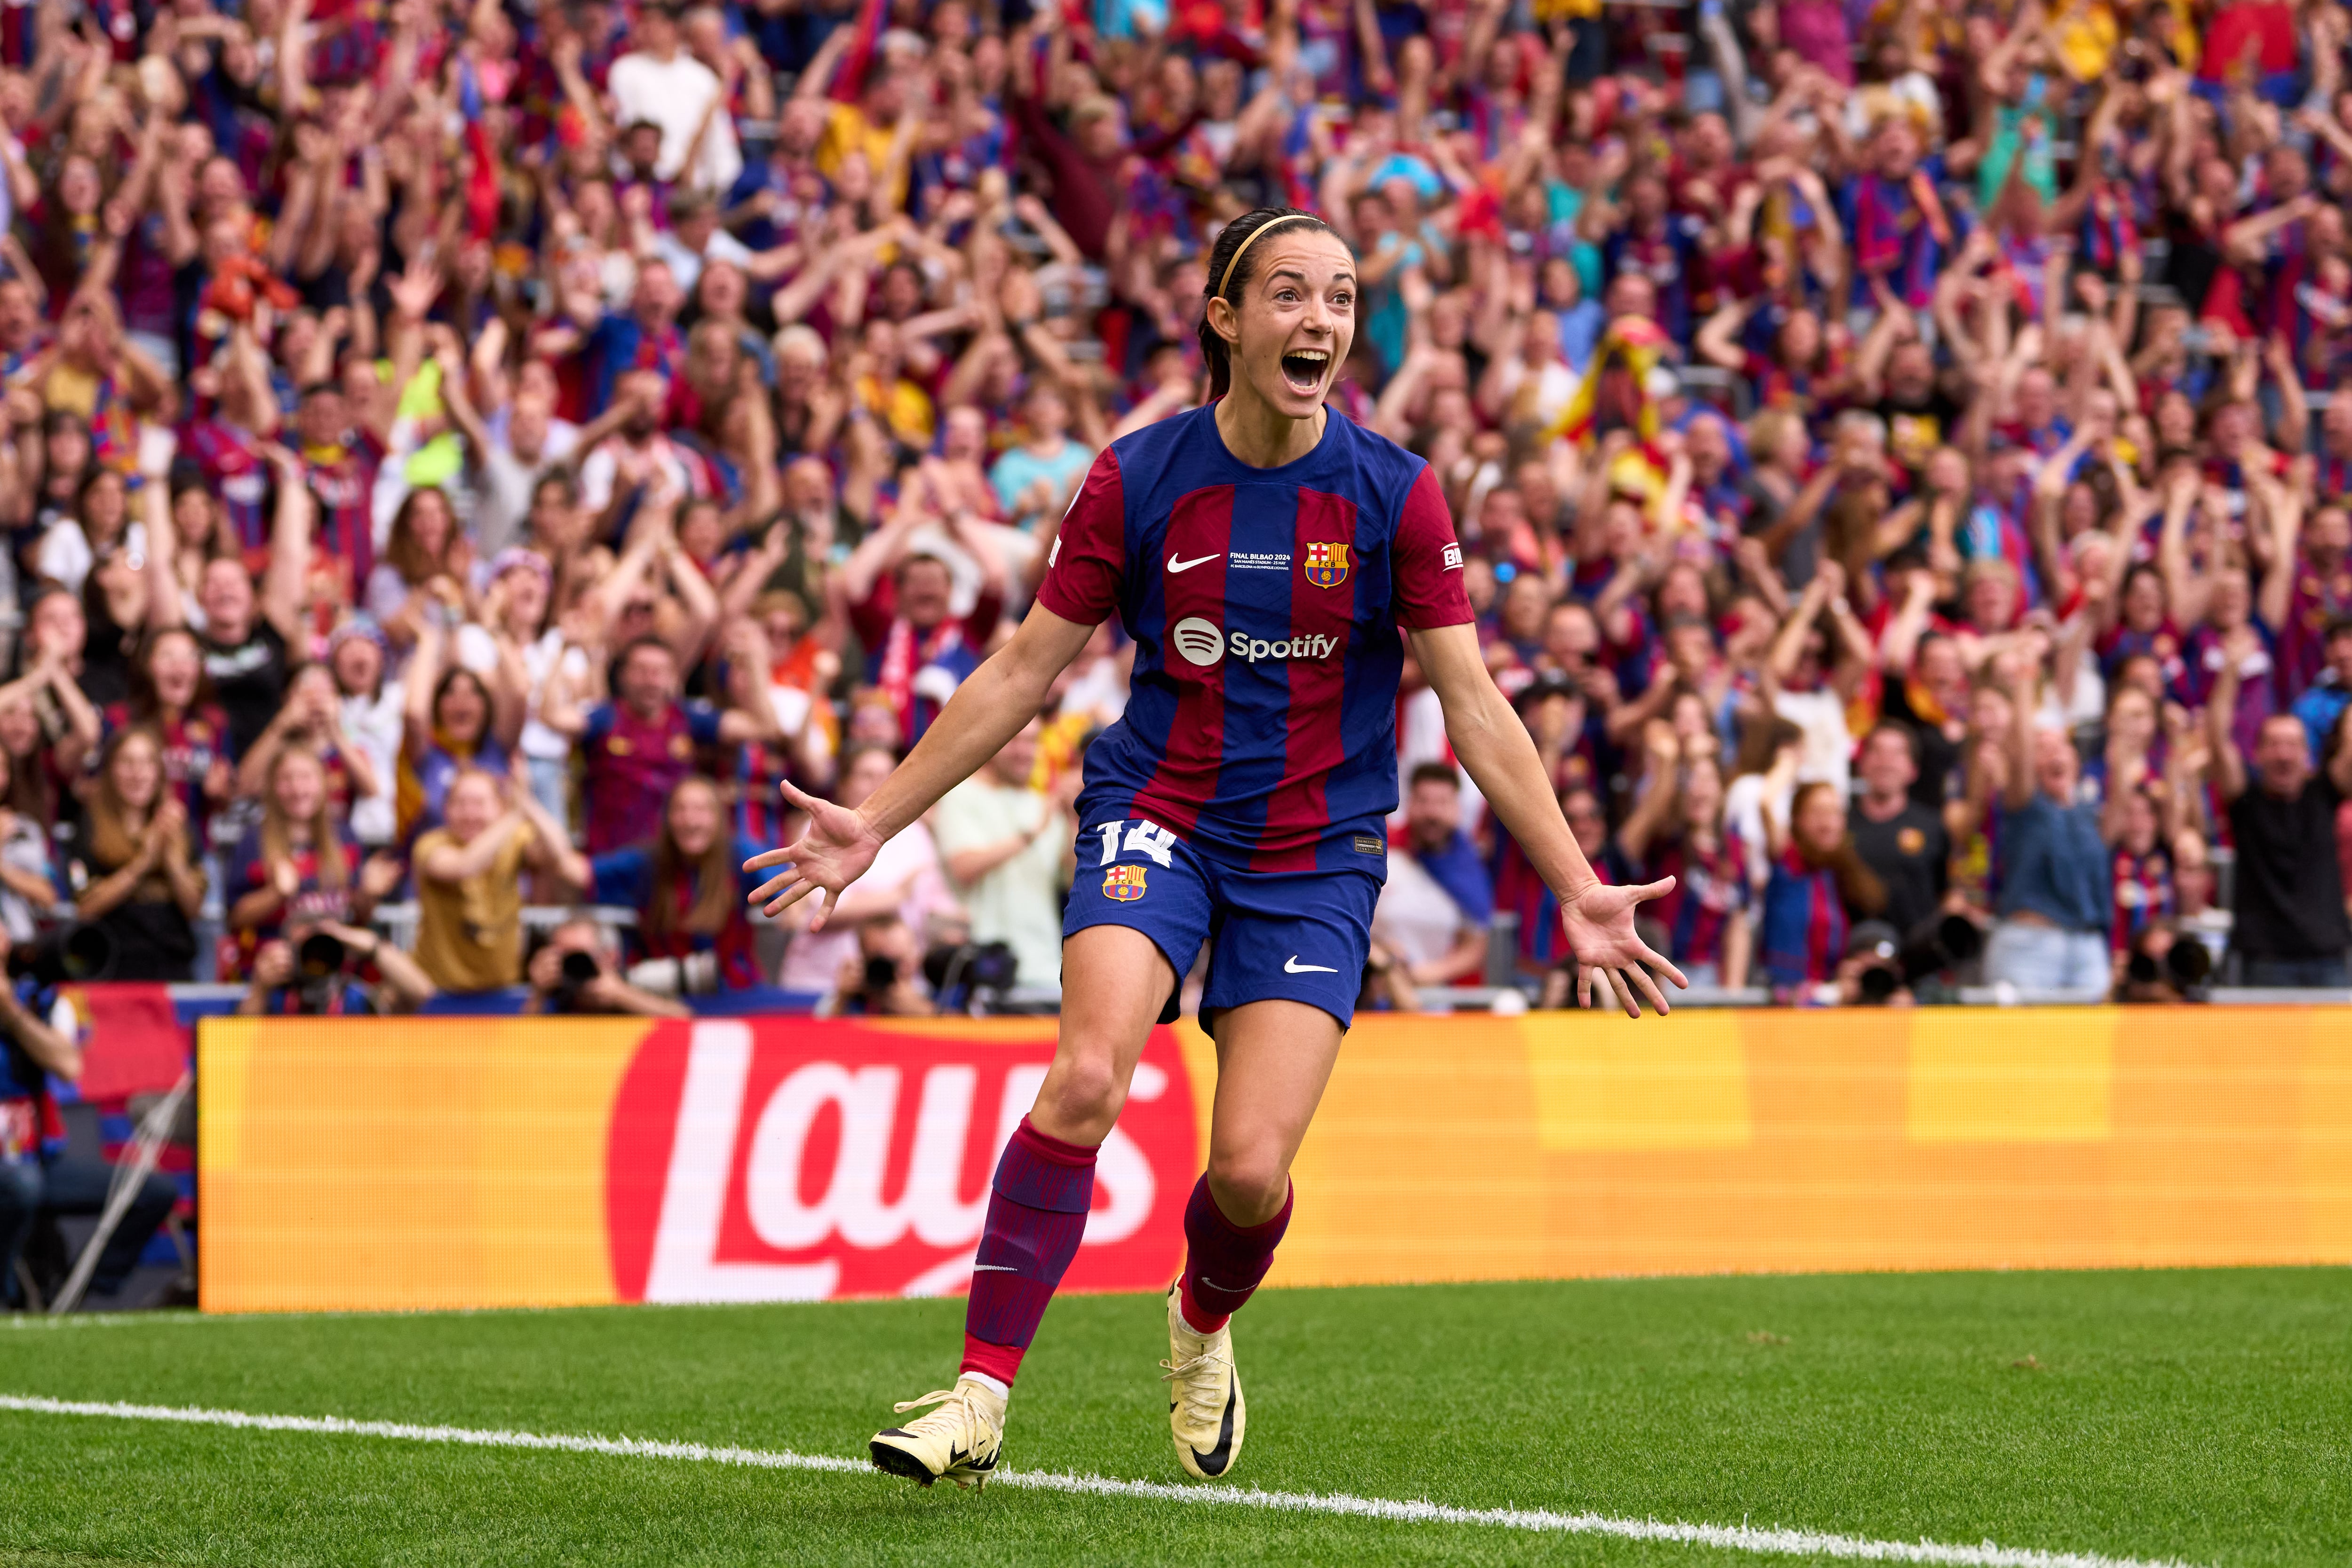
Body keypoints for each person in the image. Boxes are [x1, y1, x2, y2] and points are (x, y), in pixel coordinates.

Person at [746, 209, 1682, 1488]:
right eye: (1290, 295)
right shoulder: (1137, 477)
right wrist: (879, 815)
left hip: (1316, 849)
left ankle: (1198, 1319)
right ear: (1227, 319)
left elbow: (1472, 705)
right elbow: (1027, 665)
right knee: (1086, 1077)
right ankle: (977, 1395)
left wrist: (1576, 880)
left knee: (1246, 1172)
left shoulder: (1395, 491)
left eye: (1342, 298)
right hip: (1158, 814)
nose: (1321, 321)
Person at [0, 927, 177, 1306]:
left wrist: (10, 1011)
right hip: (14, 1175)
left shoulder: (37, 1001)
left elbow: (67, 1064)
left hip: (38, 1160)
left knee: (151, 1192)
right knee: (20, 1186)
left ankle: (78, 1293)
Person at [2208, 637, 2352, 986]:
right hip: (2265, 959)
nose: (2283, 754)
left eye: (2292, 745)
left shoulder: (2325, 794)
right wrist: (2229, 672)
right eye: (2273, 745)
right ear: (2257, 755)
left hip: (2328, 956)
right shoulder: (2246, 800)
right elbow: (2216, 737)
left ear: (2308, 756)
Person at [1984, 673, 2113, 998]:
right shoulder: (2022, 802)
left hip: (2087, 946)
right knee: (2023, 1047)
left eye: (2061, 746)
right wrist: (2027, 677)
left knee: (2091, 1048)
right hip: (2030, 946)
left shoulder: (2089, 811)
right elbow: (2021, 753)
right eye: (2042, 748)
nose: (2053, 753)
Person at [932, 719, 1078, 995]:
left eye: (1032, 742)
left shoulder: (1042, 805)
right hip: (983, 970)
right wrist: (1031, 834)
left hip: (1046, 970)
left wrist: (1074, 817)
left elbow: (1071, 881)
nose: (1024, 751)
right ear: (991, 742)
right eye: (1014, 740)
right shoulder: (961, 795)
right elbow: (964, 867)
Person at [412, 767, 587, 993]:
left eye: (479, 804)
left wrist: (528, 804)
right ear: (446, 810)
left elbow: (560, 854)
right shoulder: (431, 844)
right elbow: (465, 866)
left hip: (503, 990)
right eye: (460, 804)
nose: (470, 814)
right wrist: (515, 814)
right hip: (439, 991)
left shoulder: (513, 839)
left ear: (499, 807)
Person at [58, 727, 208, 981]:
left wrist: (173, 862)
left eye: (147, 763)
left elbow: (194, 909)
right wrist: (143, 863)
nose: (138, 774)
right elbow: (85, 908)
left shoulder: (180, 829)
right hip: (112, 967)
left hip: (172, 967)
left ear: (159, 774)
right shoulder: (87, 827)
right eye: (127, 763)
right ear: (110, 771)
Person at [1370, 762, 1493, 989]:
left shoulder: (1469, 871)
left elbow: (1476, 943)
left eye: (1442, 802)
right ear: (1410, 803)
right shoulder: (1380, 850)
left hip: (1438, 1002)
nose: (1432, 813)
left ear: (1457, 807)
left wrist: (1423, 975)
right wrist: (1380, 959)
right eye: (1424, 801)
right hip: (1371, 992)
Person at [237, 913, 437, 1016]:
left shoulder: (357, 1001)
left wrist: (372, 946)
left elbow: (420, 992)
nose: (313, 957)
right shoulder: (274, 1000)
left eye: (320, 946)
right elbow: (238, 1046)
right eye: (302, 948)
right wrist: (259, 987)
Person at [522, 916, 691, 1018]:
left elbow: (687, 1022)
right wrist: (537, 995)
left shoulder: (634, 988)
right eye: (565, 957)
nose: (574, 966)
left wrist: (622, 995)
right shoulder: (555, 999)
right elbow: (520, 1051)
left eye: (581, 956)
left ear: (611, 956)